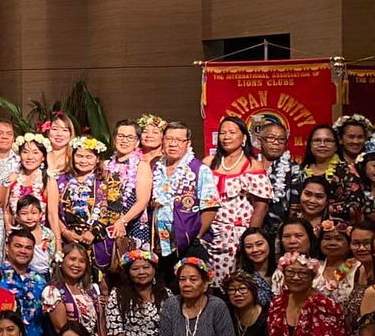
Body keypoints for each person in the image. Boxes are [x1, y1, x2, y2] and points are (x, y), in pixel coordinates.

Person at [204, 116, 272, 285]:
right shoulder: (208, 163)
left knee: (237, 283)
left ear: (244, 138)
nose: (226, 136)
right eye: (222, 133)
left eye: (232, 132)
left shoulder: (252, 165)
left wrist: (251, 237)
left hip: (238, 237)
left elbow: (261, 206)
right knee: (209, 283)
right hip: (210, 234)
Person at [152, 123, 219, 275]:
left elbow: (211, 206)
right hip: (160, 245)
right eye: (169, 139)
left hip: (188, 242)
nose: (173, 144)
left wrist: (197, 237)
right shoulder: (156, 167)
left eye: (178, 140)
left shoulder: (199, 169)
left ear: (188, 143)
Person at [98, 120, 154, 268]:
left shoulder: (142, 165)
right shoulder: (106, 165)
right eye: (121, 136)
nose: (124, 140)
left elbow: (143, 201)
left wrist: (123, 221)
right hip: (108, 226)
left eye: (130, 137)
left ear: (137, 142)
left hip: (132, 225)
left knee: (133, 269)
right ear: (114, 138)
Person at [0, 229, 51, 336]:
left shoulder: (40, 280)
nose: (23, 251)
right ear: (7, 249)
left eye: (28, 248)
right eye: (18, 246)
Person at [298, 126, 364, 225]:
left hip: (338, 230)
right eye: (317, 140)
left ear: (336, 146)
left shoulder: (347, 171)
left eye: (328, 141)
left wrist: (322, 208)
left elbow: (357, 207)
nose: (322, 145)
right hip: (302, 226)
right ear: (310, 145)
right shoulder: (300, 170)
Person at [52, 138, 107, 259]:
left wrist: (93, 233)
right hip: (68, 239)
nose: (83, 161)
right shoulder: (61, 180)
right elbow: (52, 211)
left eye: (89, 157)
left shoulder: (106, 180)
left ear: (97, 159)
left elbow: (111, 211)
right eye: (79, 156)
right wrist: (65, 232)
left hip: (97, 241)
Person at [2, 134, 54, 230]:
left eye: (35, 152)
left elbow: (52, 215)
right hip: (16, 234)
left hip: (40, 235)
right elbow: (5, 210)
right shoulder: (13, 178)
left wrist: (57, 241)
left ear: (43, 157)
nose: (29, 157)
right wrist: (8, 226)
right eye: (25, 152)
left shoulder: (48, 181)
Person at [235, 229, 277, 305]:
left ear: (269, 244)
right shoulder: (241, 277)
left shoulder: (282, 270)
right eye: (249, 246)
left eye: (259, 244)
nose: (255, 250)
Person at [44, 112, 76, 177]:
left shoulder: (75, 157)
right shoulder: (39, 154)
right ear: (48, 132)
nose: (59, 134)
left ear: (71, 133)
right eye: (54, 129)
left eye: (65, 130)